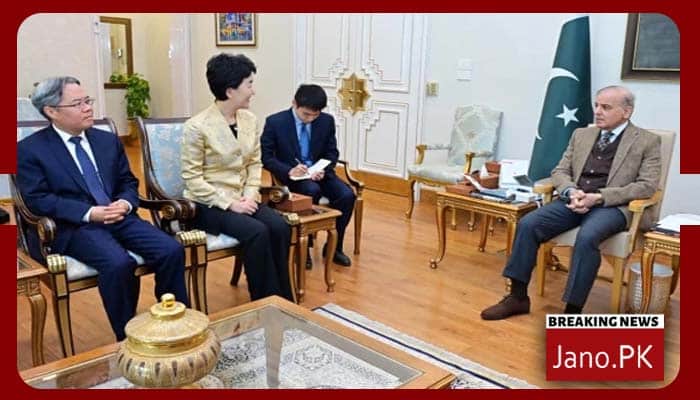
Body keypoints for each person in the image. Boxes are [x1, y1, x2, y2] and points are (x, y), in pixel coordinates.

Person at [17, 76, 189, 340]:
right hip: (74, 226)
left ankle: (173, 322)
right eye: (78, 104)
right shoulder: (30, 150)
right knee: (118, 263)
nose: (88, 108)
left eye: (88, 100)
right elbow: (37, 199)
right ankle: (128, 337)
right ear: (51, 111)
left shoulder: (106, 140)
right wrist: (89, 213)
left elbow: (127, 181)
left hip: (118, 216)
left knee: (171, 250)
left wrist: (125, 202)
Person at [480, 85, 661, 320]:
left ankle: (572, 312)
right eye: (596, 105)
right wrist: (570, 190)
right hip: (575, 199)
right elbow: (560, 170)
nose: (597, 111)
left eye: (606, 107)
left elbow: (647, 185)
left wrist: (599, 197)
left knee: (587, 237)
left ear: (627, 112)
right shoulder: (581, 135)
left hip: (612, 206)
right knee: (528, 224)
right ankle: (517, 297)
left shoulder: (647, 141)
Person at [181, 53, 293, 301]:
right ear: (230, 90)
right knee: (257, 232)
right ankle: (264, 302)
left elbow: (254, 163)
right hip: (209, 204)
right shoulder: (197, 126)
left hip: (244, 197)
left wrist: (250, 196)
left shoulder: (249, 119)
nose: (253, 91)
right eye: (249, 84)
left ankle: (284, 301)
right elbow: (192, 179)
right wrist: (231, 203)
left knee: (279, 226)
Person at [261, 84, 355, 268]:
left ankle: (335, 247)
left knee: (346, 195)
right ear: (294, 104)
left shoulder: (326, 121)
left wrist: (323, 168)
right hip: (293, 177)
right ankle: (304, 248)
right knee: (311, 190)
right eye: (306, 114)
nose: (310, 119)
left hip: (320, 174)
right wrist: (289, 170)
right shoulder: (275, 122)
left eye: (315, 115)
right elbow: (266, 157)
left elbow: (332, 152)